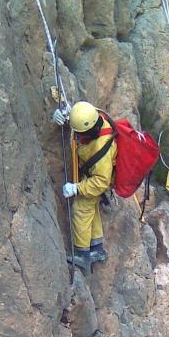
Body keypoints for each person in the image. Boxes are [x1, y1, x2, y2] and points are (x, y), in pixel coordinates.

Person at [53, 101, 116, 274]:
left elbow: (101, 182)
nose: (79, 137)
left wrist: (77, 188)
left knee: (81, 208)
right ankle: (96, 248)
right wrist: (66, 114)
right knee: (91, 208)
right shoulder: (94, 116)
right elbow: (82, 115)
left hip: (98, 180)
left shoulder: (101, 145)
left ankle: (82, 253)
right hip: (94, 176)